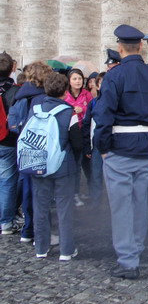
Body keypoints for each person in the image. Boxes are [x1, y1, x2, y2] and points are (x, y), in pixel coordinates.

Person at [93, 24, 148, 280]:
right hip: (146, 149)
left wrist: (102, 148)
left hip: (119, 150)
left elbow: (103, 116)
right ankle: (136, 249)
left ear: (120, 48)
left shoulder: (114, 76)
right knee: (140, 204)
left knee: (122, 207)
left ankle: (128, 261)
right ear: (140, 47)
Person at [31, 72, 82, 260]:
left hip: (39, 162)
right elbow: (77, 144)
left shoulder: (35, 108)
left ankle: (41, 248)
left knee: (40, 207)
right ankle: (66, 250)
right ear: (65, 89)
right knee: (64, 208)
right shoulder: (69, 112)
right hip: (63, 165)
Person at [10, 61, 53, 242]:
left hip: (24, 147)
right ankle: (41, 233)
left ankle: (28, 230)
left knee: (27, 189)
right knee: (42, 192)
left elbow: (12, 124)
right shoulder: (45, 98)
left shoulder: (20, 96)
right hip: (43, 148)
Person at [64, 68, 93, 206]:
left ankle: (89, 192)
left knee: (85, 164)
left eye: (80, 79)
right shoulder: (65, 95)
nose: (78, 81)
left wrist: (84, 109)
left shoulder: (87, 95)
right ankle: (73, 193)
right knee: (73, 165)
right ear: (69, 81)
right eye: (75, 79)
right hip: (69, 133)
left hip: (84, 132)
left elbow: (94, 110)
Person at [0, 52, 20, 235]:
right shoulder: (14, 90)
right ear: (11, 69)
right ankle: (6, 222)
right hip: (7, 140)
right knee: (7, 181)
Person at [82, 72, 106, 203]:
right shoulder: (93, 103)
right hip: (97, 144)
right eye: (101, 83)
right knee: (96, 173)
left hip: (112, 143)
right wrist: (87, 146)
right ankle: (96, 200)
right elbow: (87, 124)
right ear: (97, 86)